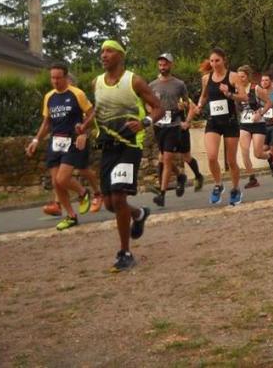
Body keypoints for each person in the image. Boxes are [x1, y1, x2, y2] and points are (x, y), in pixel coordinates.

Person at [77, 40, 162, 272]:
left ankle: (125, 253)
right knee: (109, 204)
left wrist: (144, 122)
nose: (104, 55)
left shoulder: (134, 81)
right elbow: (97, 110)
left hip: (130, 145)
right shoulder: (96, 82)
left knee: (118, 196)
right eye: (102, 51)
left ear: (120, 56)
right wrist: (84, 126)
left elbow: (159, 108)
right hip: (108, 145)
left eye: (109, 51)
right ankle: (139, 214)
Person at [26, 62, 93, 230]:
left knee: (62, 179)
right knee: (56, 183)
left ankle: (83, 192)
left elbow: (91, 114)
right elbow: (46, 122)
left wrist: (84, 132)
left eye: (58, 78)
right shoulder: (49, 97)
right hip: (55, 141)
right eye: (52, 78)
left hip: (72, 140)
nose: (55, 81)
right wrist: (36, 140)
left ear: (65, 77)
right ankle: (71, 216)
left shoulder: (77, 94)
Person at [148, 53, 202, 207]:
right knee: (163, 157)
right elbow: (148, 103)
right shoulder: (152, 85)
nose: (162, 67)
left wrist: (187, 121)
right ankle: (180, 177)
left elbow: (189, 105)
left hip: (174, 125)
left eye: (165, 64)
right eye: (160, 65)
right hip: (159, 126)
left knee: (169, 158)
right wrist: (152, 114)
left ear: (171, 65)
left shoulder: (179, 84)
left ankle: (162, 193)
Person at [194, 47, 247, 206]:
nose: (214, 64)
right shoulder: (206, 78)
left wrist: (229, 94)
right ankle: (218, 184)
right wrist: (199, 106)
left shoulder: (233, 76)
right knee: (211, 157)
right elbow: (204, 96)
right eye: (212, 61)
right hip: (214, 122)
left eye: (217, 60)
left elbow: (244, 97)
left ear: (224, 60)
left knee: (231, 161)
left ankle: (236, 189)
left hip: (230, 122)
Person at [236, 65, 273, 189]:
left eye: (243, 76)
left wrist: (260, 113)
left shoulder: (256, 88)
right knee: (244, 151)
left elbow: (269, 102)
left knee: (258, 154)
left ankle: (269, 156)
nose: (240, 79)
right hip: (244, 124)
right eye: (238, 77)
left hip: (258, 124)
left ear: (248, 77)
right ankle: (252, 178)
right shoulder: (237, 90)